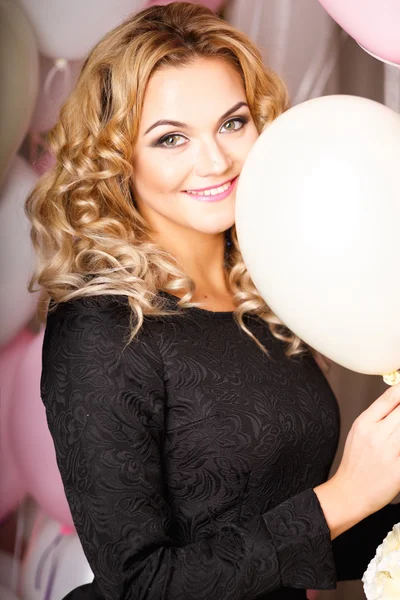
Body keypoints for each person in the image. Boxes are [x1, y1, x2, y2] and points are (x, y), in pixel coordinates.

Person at [25, 3, 400, 599]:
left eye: (233, 123)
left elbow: (292, 543)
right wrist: (347, 494)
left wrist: (382, 497)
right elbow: (141, 585)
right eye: (171, 138)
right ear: (118, 158)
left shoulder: (268, 292)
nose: (216, 161)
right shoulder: (101, 327)